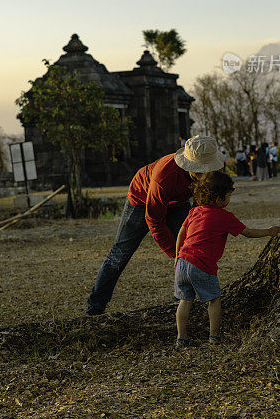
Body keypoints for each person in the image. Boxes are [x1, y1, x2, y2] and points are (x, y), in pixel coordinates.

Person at [86, 135, 225, 316]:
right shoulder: (164, 176)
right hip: (142, 200)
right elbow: (154, 221)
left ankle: (183, 302)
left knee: (189, 251)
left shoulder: (212, 172)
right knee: (119, 255)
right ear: (189, 166)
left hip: (177, 203)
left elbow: (202, 204)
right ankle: (95, 308)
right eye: (200, 171)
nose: (205, 175)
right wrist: (173, 253)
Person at [174, 170, 280, 348]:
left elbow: (180, 234)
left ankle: (181, 338)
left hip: (182, 262)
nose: (229, 200)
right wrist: (269, 232)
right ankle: (214, 337)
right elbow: (247, 233)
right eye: (228, 196)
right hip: (201, 265)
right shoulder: (224, 217)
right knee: (214, 300)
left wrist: (177, 257)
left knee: (185, 301)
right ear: (218, 199)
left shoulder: (194, 211)